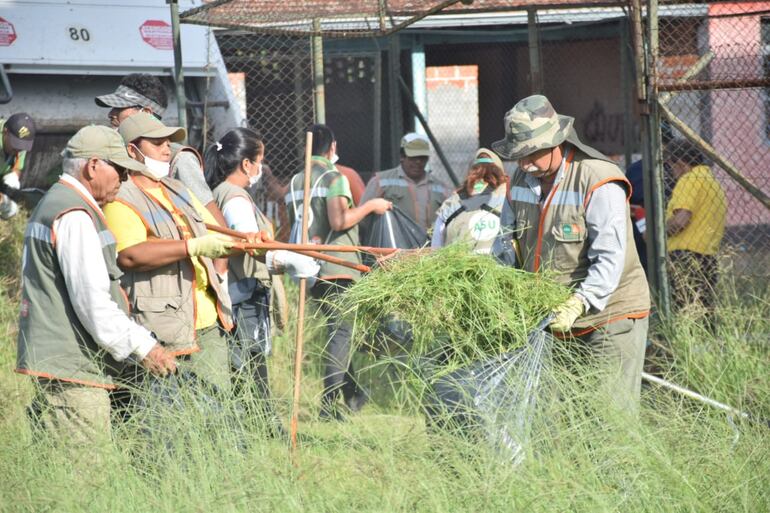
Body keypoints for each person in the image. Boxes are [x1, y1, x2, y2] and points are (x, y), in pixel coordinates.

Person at [16, 125, 176, 443]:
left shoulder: (57, 203)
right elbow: (93, 303)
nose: (125, 179)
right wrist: (146, 348)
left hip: (62, 367)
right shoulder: (75, 214)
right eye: (118, 169)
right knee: (84, 473)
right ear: (92, 166)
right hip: (73, 374)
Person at [491, 95, 650, 414]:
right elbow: (507, 241)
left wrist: (579, 301)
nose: (524, 164)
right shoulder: (522, 179)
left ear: (555, 141)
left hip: (608, 314)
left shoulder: (598, 179)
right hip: (554, 317)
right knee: (566, 417)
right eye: (518, 156)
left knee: (607, 418)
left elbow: (610, 259)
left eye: (531, 154)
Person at [104, 112, 237, 395]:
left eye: (168, 141)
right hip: (162, 329)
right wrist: (192, 247)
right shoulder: (121, 197)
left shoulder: (176, 189)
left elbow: (215, 232)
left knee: (219, 412)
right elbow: (129, 254)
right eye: (157, 142)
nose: (167, 149)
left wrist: (251, 243)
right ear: (132, 150)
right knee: (169, 421)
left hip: (208, 321)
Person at [205, 127, 318, 433]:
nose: (260, 168)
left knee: (250, 362)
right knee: (249, 363)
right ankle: (258, 425)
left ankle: (260, 423)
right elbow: (251, 246)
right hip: (243, 294)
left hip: (241, 291)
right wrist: (289, 260)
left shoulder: (221, 194)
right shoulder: (234, 197)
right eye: (260, 161)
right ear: (246, 164)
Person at [285, 124, 392, 420]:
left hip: (310, 266)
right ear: (332, 147)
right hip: (338, 266)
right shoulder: (335, 178)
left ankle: (354, 394)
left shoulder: (296, 180)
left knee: (338, 331)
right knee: (342, 333)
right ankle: (329, 406)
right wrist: (371, 205)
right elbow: (340, 220)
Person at [95, 73, 228, 227]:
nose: (111, 114)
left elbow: (215, 223)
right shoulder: (115, 156)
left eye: (120, 107)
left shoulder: (179, 159)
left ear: (146, 113)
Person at [665, 140, 727, 319]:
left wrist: (659, 231)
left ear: (681, 164)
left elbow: (680, 221)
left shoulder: (689, 179)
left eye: (671, 166)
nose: (672, 173)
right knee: (704, 314)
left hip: (685, 256)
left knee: (684, 313)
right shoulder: (713, 183)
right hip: (708, 256)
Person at [360, 132, 450, 232]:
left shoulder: (441, 188)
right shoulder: (381, 182)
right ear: (402, 157)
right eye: (413, 157)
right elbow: (363, 219)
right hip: (393, 246)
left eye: (422, 157)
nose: (418, 162)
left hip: (430, 246)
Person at [431, 148, 508, 254]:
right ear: (502, 174)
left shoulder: (452, 203)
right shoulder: (508, 198)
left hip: (455, 267)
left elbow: (436, 247)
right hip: (499, 267)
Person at [0, 113, 36, 219]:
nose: (18, 150)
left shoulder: (19, 145)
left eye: (22, 147)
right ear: (5, 132)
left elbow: (17, 167)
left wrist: (13, 177)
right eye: (15, 145)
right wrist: (3, 201)